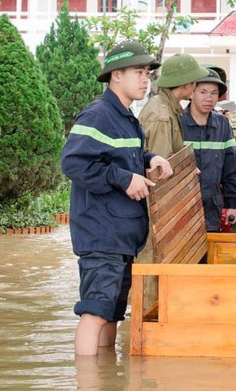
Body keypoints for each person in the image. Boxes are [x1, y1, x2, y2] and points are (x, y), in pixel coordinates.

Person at [60, 40, 175, 356]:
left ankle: (106, 377)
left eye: (147, 74)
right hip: (102, 234)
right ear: (115, 76)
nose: (145, 80)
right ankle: (86, 380)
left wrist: (150, 159)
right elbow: (73, 162)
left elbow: (120, 157)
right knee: (95, 310)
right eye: (139, 72)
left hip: (121, 236)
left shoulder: (126, 117)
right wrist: (124, 179)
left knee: (112, 312)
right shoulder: (99, 114)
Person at [179, 68, 236, 232]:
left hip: (212, 208)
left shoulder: (222, 124)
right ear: (191, 93)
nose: (209, 98)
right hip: (180, 208)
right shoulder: (177, 123)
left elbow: (229, 170)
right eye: (203, 92)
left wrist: (232, 205)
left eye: (214, 93)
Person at [139, 53, 211, 158]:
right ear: (186, 84)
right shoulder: (161, 115)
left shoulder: (168, 107)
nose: (195, 87)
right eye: (194, 82)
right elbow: (161, 167)